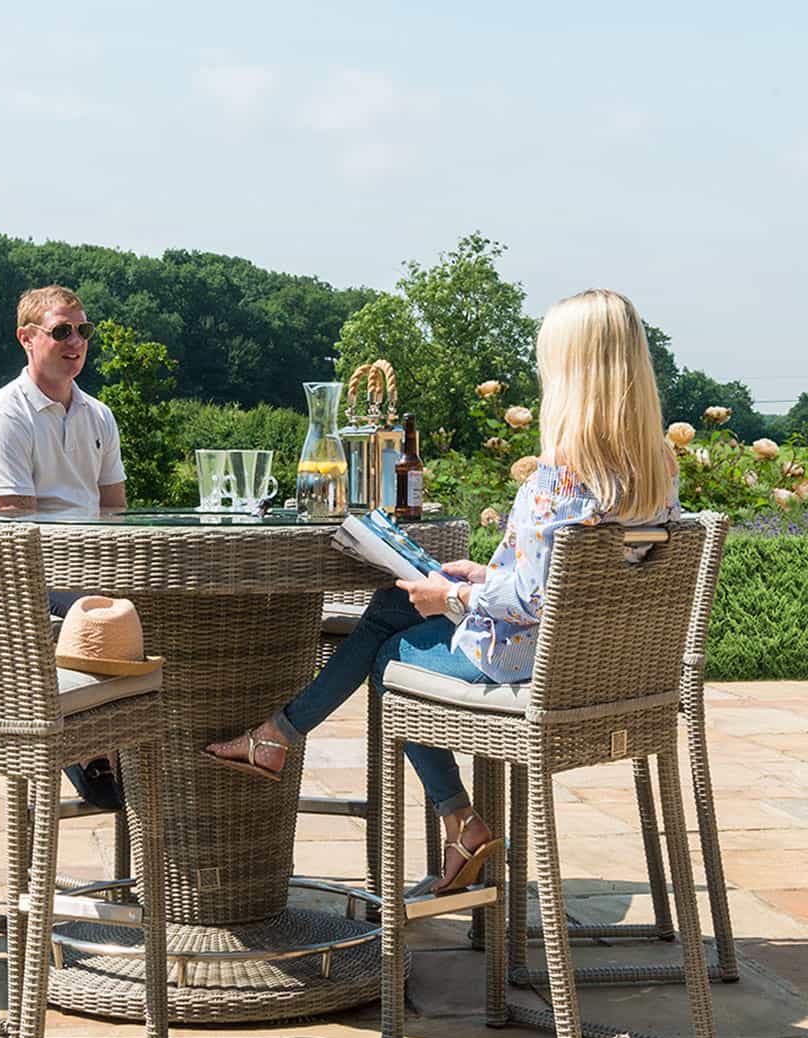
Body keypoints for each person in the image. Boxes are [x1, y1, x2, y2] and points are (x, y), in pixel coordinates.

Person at [206, 288, 681, 893]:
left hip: (529, 663)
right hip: (605, 666)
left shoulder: (557, 475)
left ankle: (448, 813)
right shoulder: (658, 468)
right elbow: (571, 581)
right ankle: (278, 737)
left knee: (386, 654)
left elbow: (537, 601)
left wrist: (453, 600)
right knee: (391, 603)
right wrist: (484, 578)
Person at [0, 285, 127, 809]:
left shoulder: (98, 415)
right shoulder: (3, 418)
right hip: (15, 578)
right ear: (27, 338)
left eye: (83, 330)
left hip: (83, 569)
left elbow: (114, 510)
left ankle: (151, 745)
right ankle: (91, 747)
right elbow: (20, 526)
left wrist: (116, 570)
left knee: (168, 601)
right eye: (62, 331)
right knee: (103, 613)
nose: (76, 340)